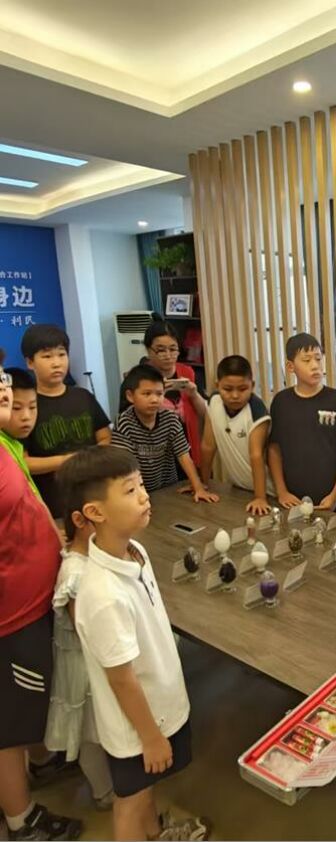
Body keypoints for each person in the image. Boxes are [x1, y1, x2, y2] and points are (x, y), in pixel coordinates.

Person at [64, 447, 209, 841]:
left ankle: (155, 833)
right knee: (130, 799)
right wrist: (150, 737)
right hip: (136, 727)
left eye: (142, 485)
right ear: (94, 512)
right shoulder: (102, 594)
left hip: (158, 706)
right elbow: (121, 678)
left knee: (146, 788)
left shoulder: (135, 551)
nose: (144, 496)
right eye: (130, 490)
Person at [0, 353, 83, 842]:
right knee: (9, 724)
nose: (4, 389)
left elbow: (26, 501)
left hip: (33, 600)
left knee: (30, 705)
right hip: (9, 615)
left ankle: (43, 759)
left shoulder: (6, 442)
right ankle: (22, 819)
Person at [44, 502, 114, 812]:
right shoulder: (75, 573)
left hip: (88, 662)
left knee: (95, 733)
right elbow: (86, 630)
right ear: (82, 520)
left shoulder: (87, 558)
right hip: (85, 667)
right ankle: (105, 791)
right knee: (92, 735)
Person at [22, 324, 111, 517]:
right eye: (47, 356)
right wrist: (69, 460)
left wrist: (88, 460)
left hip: (94, 496)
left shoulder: (83, 396)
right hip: (52, 506)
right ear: (30, 362)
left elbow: (105, 438)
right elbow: (23, 462)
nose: (57, 363)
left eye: (62, 354)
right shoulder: (26, 407)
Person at [268, 333, 336, 509]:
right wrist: (282, 492)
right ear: (290, 366)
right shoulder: (281, 402)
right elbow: (274, 449)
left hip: (332, 501)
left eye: (318, 358)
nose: (315, 365)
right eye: (306, 360)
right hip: (292, 501)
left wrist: (335, 495)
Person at [112, 365, 218, 503]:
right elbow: (125, 466)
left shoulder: (170, 419)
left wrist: (198, 488)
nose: (154, 399)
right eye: (147, 394)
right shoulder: (124, 422)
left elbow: (184, 456)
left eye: (159, 394)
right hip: (139, 492)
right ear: (130, 396)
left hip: (169, 488)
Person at [119, 322, 206, 467]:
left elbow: (205, 414)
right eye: (161, 350)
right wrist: (157, 397)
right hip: (152, 455)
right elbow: (126, 420)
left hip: (187, 449)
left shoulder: (188, 373)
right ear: (148, 350)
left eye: (173, 349)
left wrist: (194, 394)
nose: (168, 355)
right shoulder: (136, 378)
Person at [200, 355, 272, 515]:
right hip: (239, 489)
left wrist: (260, 498)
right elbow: (208, 446)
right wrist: (202, 484)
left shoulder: (257, 410)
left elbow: (256, 455)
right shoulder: (214, 402)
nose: (235, 395)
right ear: (217, 385)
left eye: (242, 389)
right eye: (227, 389)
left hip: (267, 492)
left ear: (252, 386)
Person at [0, 367, 39, 497]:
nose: (26, 416)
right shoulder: (3, 445)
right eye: (16, 408)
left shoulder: (14, 443)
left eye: (32, 407)